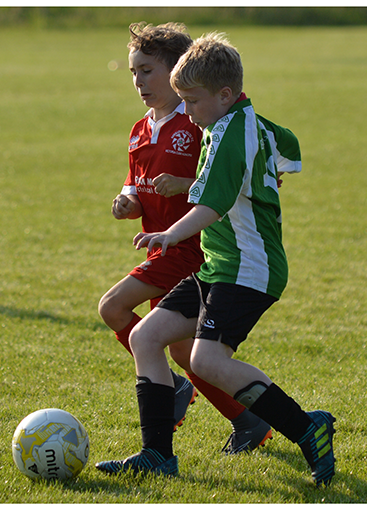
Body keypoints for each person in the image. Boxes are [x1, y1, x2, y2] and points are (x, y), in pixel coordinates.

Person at [95, 32, 336, 487]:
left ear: (225, 95)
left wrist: (168, 233)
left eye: (193, 101)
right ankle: (157, 455)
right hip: (217, 263)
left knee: (206, 361)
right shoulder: (248, 120)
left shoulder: (227, 134)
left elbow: (211, 205)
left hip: (248, 268)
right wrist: (272, 172)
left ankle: (307, 428)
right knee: (146, 337)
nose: (186, 111)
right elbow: (289, 147)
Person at [98, 22, 272, 456]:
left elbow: (221, 181)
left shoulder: (198, 122)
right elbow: (135, 185)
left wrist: (185, 181)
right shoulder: (141, 128)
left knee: (114, 307)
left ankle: (173, 394)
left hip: (189, 250)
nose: (139, 81)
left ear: (179, 73)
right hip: (161, 244)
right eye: (134, 72)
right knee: (179, 351)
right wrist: (127, 201)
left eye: (148, 71)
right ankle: (246, 418)